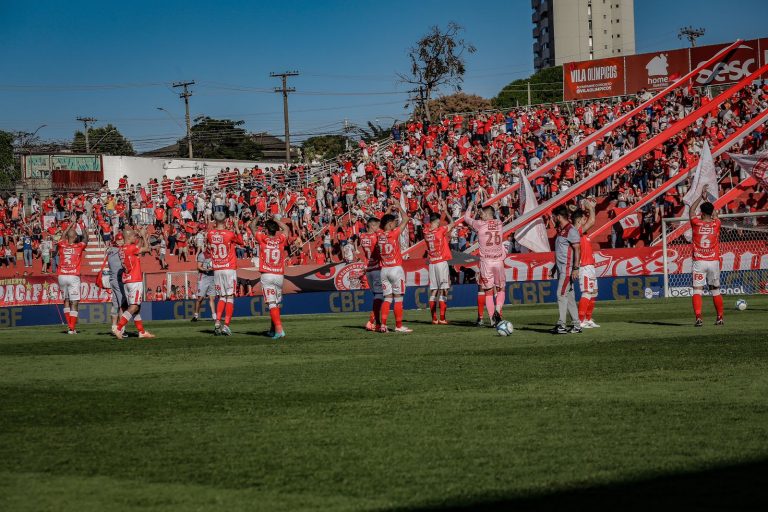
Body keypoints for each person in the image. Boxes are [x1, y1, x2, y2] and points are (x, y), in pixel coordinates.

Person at [463, 196, 506, 327]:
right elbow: (492, 214)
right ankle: (498, 310)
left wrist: (470, 206)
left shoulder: (480, 224)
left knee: (487, 291)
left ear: (487, 215)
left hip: (486, 262)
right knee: (501, 288)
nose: (480, 216)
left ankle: (493, 320)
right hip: (498, 261)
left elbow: (466, 218)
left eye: (482, 214)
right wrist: (484, 209)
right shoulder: (499, 223)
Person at [252, 215, 291, 339]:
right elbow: (286, 229)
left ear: (267, 230)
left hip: (267, 274)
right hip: (279, 275)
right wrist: (275, 220)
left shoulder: (262, 238)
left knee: (272, 304)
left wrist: (258, 217)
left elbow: (252, 226)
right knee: (277, 304)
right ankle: (273, 329)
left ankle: (279, 330)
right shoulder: (281, 239)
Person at [689, 188, 723, 326]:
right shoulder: (717, 224)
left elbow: (691, 210)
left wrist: (700, 197)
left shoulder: (696, 224)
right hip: (713, 261)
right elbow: (714, 214)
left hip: (699, 261)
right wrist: (707, 200)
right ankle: (720, 317)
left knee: (697, 290)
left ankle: (698, 317)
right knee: (715, 290)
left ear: (701, 213)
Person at [376, 203, 412, 333]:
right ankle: (398, 326)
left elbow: (383, 222)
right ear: (390, 224)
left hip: (384, 270)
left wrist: (388, 210)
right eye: (394, 222)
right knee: (398, 298)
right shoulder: (394, 233)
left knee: (387, 298)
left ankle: (383, 325)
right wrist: (398, 206)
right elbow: (406, 218)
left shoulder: (379, 234)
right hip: (396, 269)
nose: (396, 224)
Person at [207, 206, 242, 336]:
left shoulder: (210, 234)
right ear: (227, 220)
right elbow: (242, 242)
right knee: (230, 296)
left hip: (217, 269)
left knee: (221, 296)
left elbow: (211, 240)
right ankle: (226, 325)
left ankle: (217, 322)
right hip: (229, 268)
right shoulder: (229, 234)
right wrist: (237, 226)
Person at [115, 228, 155, 339]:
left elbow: (137, 249)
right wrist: (143, 237)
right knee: (134, 307)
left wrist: (140, 237)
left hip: (127, 280)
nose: (135, 237)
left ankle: (141, 332)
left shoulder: (122, 249)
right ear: (128, 237)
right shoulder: (131, 248)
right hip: (134, 280)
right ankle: (118, 328)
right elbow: (147, 248)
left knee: (137, 308)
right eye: (133, 236)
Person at [423, 199, 457, 324]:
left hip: (432, 263)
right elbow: (453, 223)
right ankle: (442, 318)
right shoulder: (440, 230)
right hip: (441, 262)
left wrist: (437, 211)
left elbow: (428, 223)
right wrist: (445, 211)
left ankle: (434, 318)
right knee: (443, 289)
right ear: (437, 222)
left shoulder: (425, 232)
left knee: (433, 290)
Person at [551, 205, 582, 334]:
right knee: (569, 296)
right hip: (561, 267)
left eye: (554, 217)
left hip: (567, 268)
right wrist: (554, 267)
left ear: (559, 216)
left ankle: (561, 325)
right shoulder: (562, 230)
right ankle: (576, 325)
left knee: (561, 294)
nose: (553, 219)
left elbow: (577, 249)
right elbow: (561, 251)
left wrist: (575, 268)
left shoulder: (570, 230)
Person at [57, 217, 88, 334]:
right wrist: (82, 226)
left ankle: (70, 326)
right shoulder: (79, 246)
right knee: (74, 302)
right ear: (75, 237)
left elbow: (63, 234)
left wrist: (71, 224)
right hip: (73, 276)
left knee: (65, 300)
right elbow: (86, 238)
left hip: (61, 276)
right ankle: (71, 328)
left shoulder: (61, 245)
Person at [574, 200, 600, 328]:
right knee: (586, 292)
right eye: (584, 218)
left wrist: (589, 209)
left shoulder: (583, 233)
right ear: (579, 221)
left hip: (590, 266)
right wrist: (591, 208)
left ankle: (588, 319)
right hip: (584, 267)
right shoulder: (577, 231)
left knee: (594, 292)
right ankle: (580, 321)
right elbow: (593, 221)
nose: (586, 220)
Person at [358, 217, 383, 331]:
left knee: (377, 296)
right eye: (377, 226)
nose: (379, 228)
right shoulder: (375, 236)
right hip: (377, 268)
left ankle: (373, 321)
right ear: (372, 226)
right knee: (380, 296)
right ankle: (373, 322)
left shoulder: (362, 236)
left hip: (368, 269)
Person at [106, 232, 128, 336]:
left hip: (112, 279)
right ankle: (121, 329)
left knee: (115, 304)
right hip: (118, 280)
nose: (122, 242)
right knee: (122, 305)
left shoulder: (110, 251)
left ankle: (114, 327)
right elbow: (124, 265)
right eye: (121, 240)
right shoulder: (120, 251)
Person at [192, 247, 216, 323]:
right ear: (207, 245)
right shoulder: (202, 255)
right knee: (200, 298)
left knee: (212, 298)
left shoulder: (215, 254)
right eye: (209, 244)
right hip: (203, 278)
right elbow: (198, 266)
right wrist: (206, 269)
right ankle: (195, 316)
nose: (211, 246)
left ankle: (214, 316)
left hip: (212, 278)